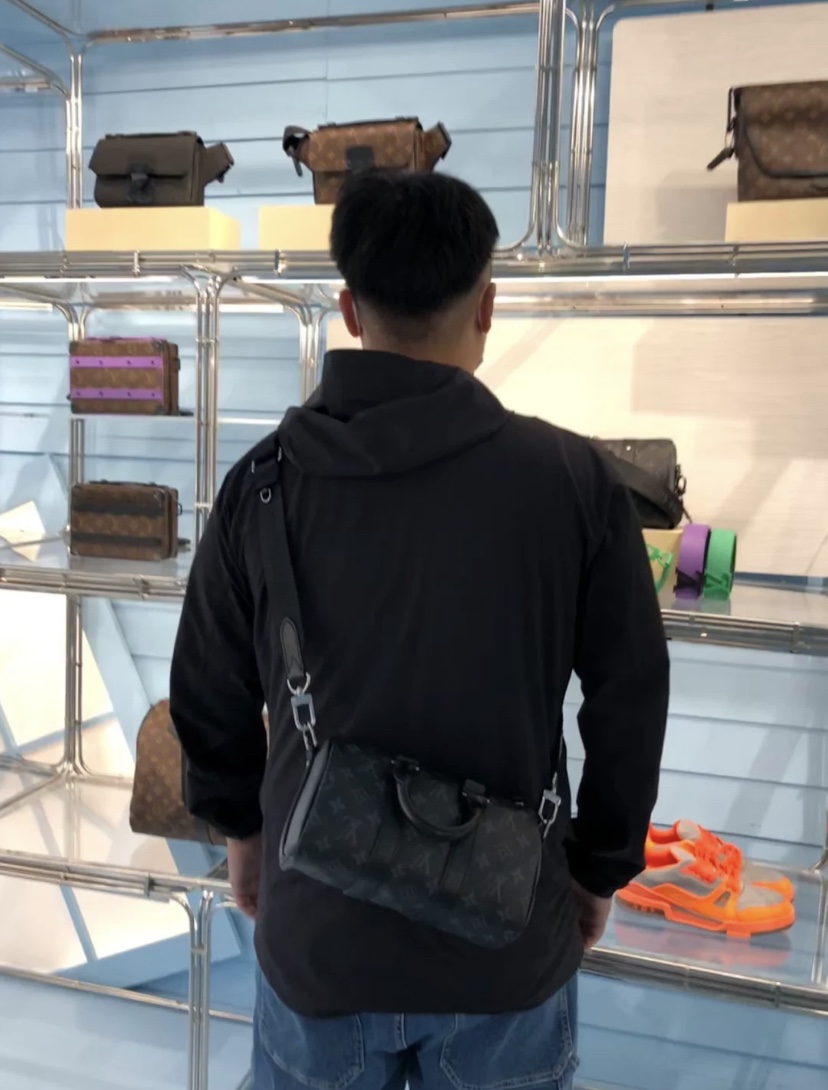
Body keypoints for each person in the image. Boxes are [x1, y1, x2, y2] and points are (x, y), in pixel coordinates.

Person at [170, 171, 669, 1090]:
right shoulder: (573, 483)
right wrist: (600, 866)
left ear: (348, 310)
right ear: (487, 307)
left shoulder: (261, 483)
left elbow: (207, 688)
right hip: (507, 936)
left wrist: (241, 829)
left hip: (316, 932)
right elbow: (630, 696)